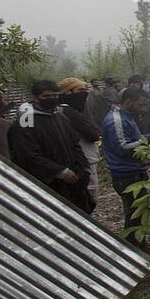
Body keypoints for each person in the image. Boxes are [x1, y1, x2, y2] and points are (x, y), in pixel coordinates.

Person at [9, 80, 93, 213]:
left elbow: (75, 144)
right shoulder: (26, 122)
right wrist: (61, 172)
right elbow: (27, 155)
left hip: (74, 182)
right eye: (47, 96)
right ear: (36, 98)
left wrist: (84, 168)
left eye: (55, 95)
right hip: (49, 184)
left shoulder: (60, 117)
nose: (52, 99)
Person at [101, 85, 150, 244]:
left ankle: (139, 243)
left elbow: (133, 140)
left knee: (140, 211)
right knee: (133, 213)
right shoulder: (116, 120)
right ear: (129, 102)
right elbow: (122, 147)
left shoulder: (128, 117)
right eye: (141, 104)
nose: (143, 108)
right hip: (126, 174)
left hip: (135, 171)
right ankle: (133, 246)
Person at [58, 78, 103, 208]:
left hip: (76, 160)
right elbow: (92, 134)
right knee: (89, 198)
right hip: (83, 160)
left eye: (85, 90)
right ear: (68, 92)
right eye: (80, 90)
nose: (84, 94)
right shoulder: (68, 112)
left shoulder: (68, 110)